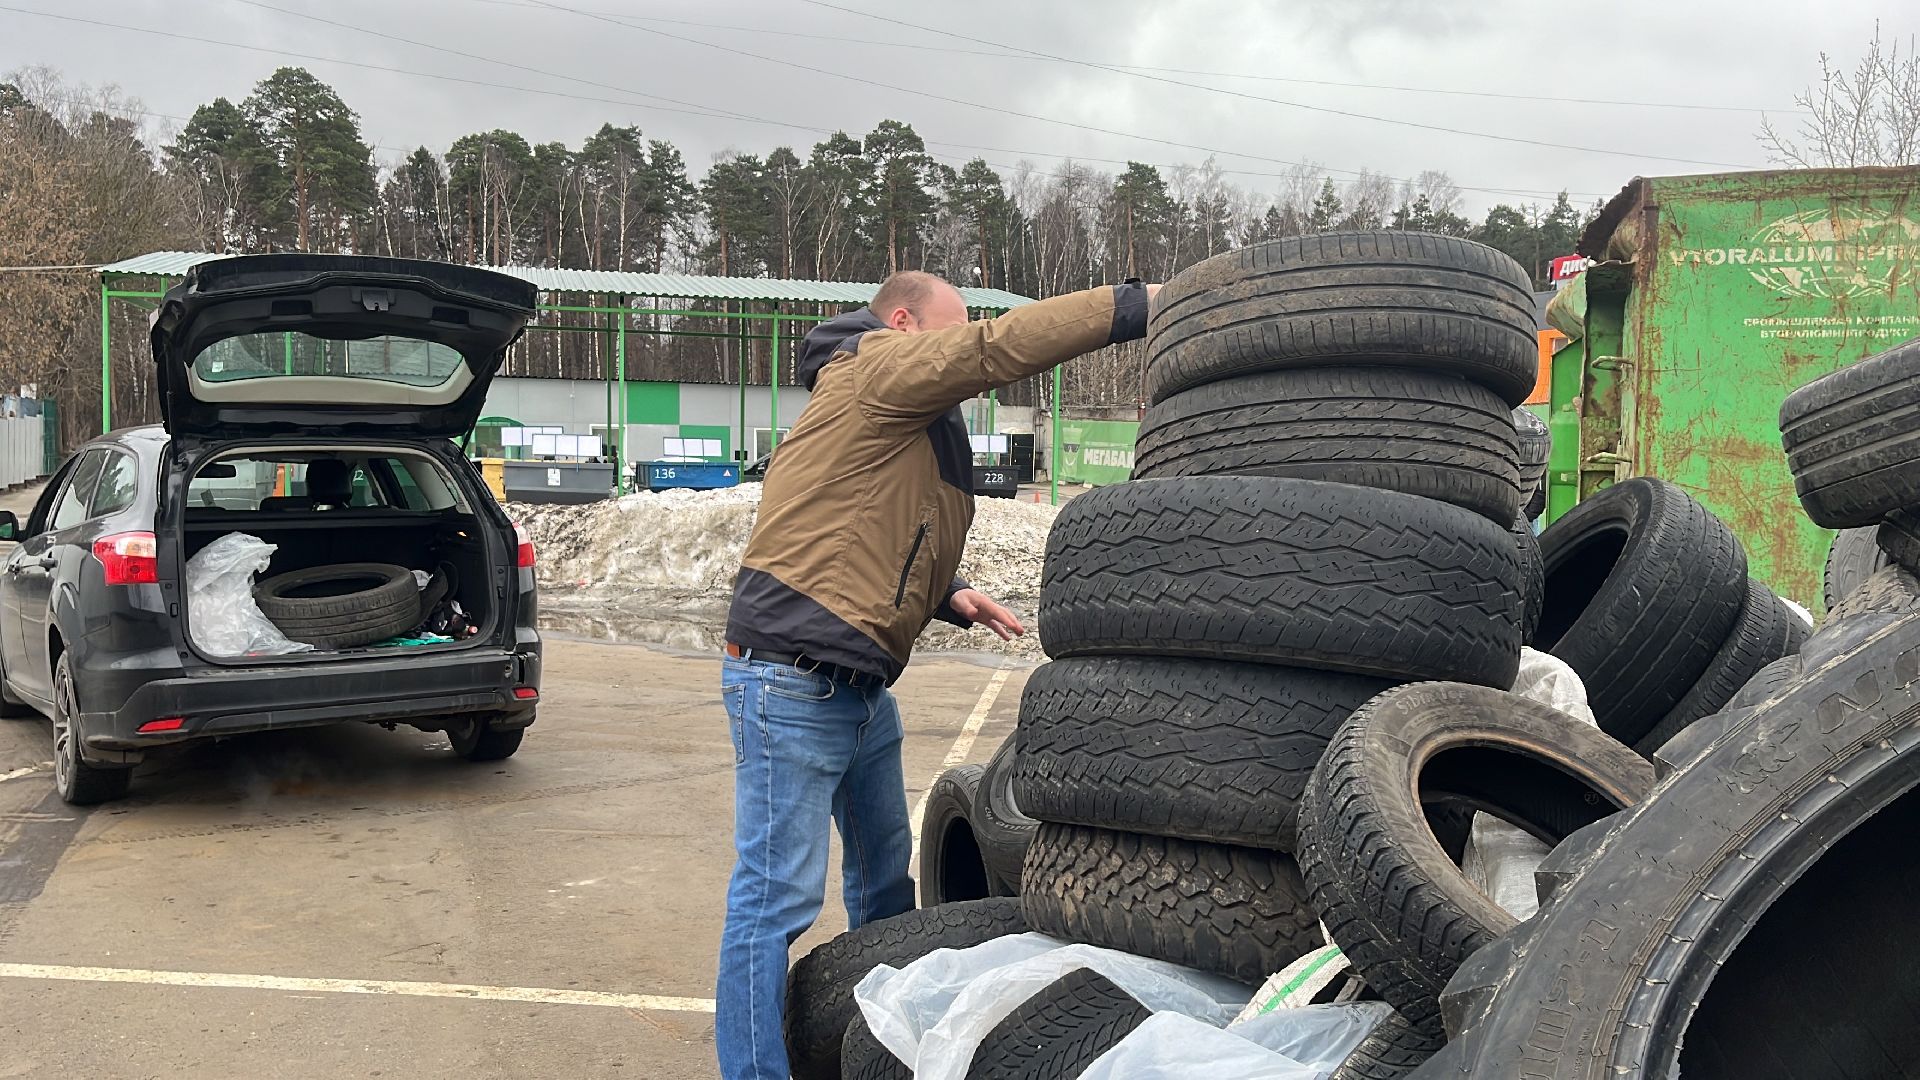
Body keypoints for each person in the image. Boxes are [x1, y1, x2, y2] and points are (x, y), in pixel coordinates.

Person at [714, 270, 1159, 1079]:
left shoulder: (898, 415)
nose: (961, 346)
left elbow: (860, 519)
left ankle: (871, 1050)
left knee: (886, 888)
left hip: (856, 689)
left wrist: (949, 594)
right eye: (950, 330)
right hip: (791, 683)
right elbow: (993, 349)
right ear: (903, 322)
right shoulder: (873, 364)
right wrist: (1134, 308)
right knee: (774, 901)